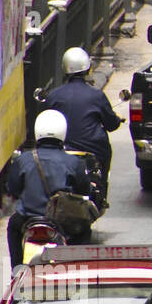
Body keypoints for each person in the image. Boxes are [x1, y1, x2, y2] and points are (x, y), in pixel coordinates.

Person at [5, 110, 92, 269]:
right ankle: (78, 271)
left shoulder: (23, 160)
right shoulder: (73, 162)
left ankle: (16, 271)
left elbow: (13, 189)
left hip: (27, 220)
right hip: (61, 222)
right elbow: (84, 191)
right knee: (84, 230)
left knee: (13, 226)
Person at [42, 47, 122, 204]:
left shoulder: (54, 95)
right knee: (106, 156)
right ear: (87, 68)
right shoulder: (97, 95)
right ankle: (101, 195)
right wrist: (117, 120)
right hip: (94, 150)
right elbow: (111, 125)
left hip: (62, 148)